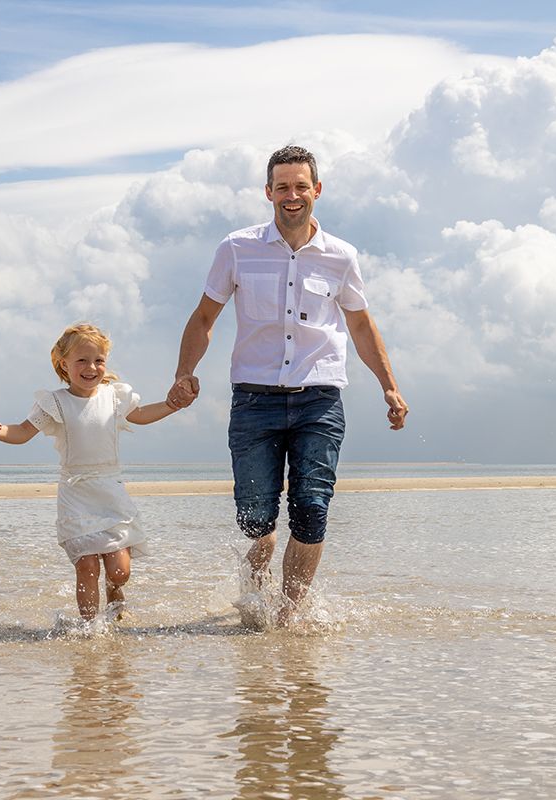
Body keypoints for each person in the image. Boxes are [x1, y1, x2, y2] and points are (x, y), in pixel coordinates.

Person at [167, 144, 408, 628]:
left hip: (319, 399)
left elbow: (361, 327)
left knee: (312, 509)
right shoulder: (237, 248)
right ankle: (254, 600)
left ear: (316, 190)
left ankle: (288, 616)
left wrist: (389, 386)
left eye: (301, 186)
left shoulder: (341, 257)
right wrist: (184, 372)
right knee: (257, 519)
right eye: (282, 187)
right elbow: (204, 316)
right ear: (268, 192)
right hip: (254, 400)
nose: (292, 195)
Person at [0, 323, 180, 621]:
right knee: (87, 566)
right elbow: (21, 433)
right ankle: (89, 630)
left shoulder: (115, 396)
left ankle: (115, 590)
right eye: (82, 361)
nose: (91, 367)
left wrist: (171, 405)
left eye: (98, 360)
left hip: (109, 490)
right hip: (75, 493)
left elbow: (140, 415)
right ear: (64, 364)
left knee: (119, 571)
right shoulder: (55, 403)